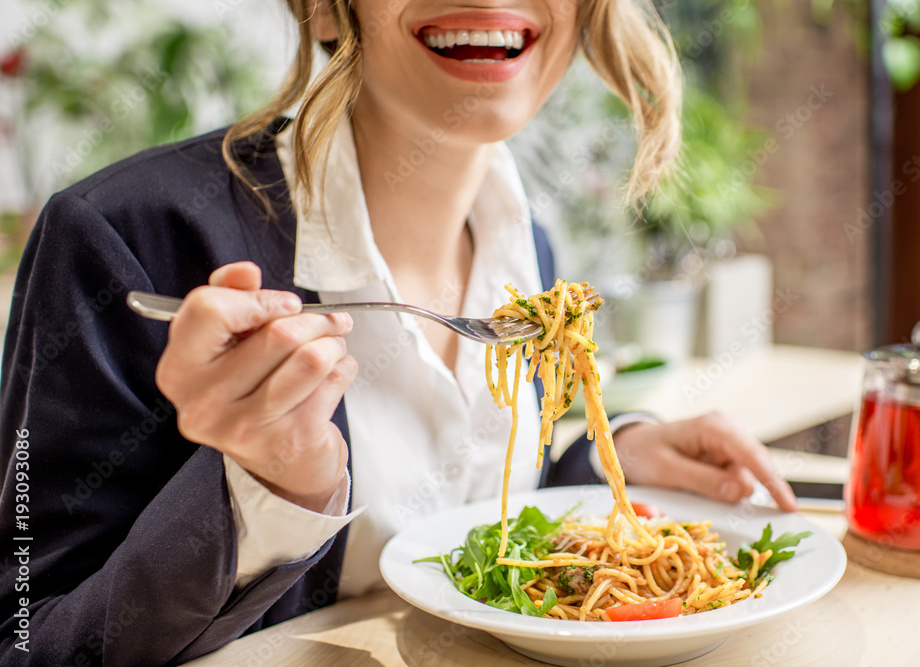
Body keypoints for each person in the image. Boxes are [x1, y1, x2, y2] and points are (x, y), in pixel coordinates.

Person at [0, 0, 796, 663]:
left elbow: (455, 513)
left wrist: (603, 459)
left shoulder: (532, 252)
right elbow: (29, 636)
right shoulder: (125, 238)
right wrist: (266, 488)